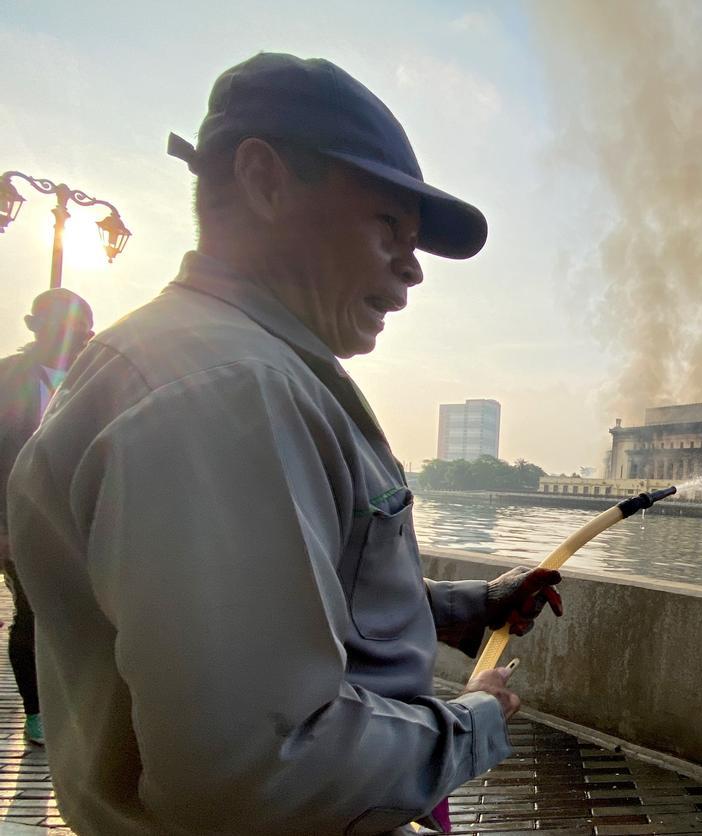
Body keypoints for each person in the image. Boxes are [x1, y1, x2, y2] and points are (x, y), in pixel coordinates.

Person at [7, 53, 562, 835]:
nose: (412, 270)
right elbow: (261, 769)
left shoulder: (212, 362)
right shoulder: (227, 393)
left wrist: (461, 610)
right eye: (388, 227)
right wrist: (472, 723)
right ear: (266, 181)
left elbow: (284, 607)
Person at [0, 288, 93, 747]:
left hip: (80, 523)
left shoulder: (95, 378)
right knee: (32, 614)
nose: (78, 337)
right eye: (69, 327)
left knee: (82, 614)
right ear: (35, 327)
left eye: (84, 330)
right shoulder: (7, 379)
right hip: (20, 521)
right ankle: (37, 713)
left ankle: (74, 705)